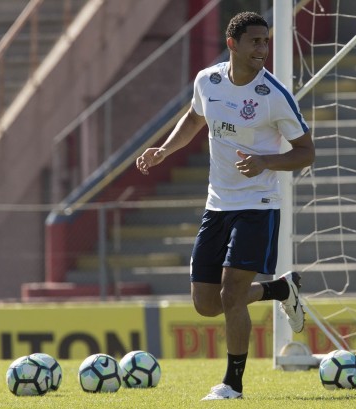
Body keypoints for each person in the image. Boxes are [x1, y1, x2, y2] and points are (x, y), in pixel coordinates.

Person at [136, 12, 315, 400]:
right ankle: (280, 290)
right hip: (217, 204)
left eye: (266, 42)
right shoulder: (208, 80)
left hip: (258, 204)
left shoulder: (274, 96)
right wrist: (164, 150)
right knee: (206, 303)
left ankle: (232, 384)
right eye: (254, 42)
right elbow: (195, 117)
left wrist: (266, 162)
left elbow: (306, 152)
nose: (262, 50)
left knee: (232, 294)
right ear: (232, 43)